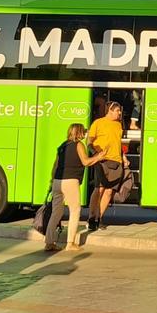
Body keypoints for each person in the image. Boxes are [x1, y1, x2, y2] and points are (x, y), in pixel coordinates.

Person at [43, 123, 103, 251]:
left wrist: (52, 183)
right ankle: (70, 243)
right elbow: (85, 162)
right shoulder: (78, 145)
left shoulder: (62, 146)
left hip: (57, 181)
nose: (85, 134)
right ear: (79, 132)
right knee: (75, 211)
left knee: (56, 212)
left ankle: (49, 242)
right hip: (70, 181)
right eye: (84, 132)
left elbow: (55, 167)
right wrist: (98, 157)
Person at [87, 101, 125, 230]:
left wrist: (123, 157)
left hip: (116, 161)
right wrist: (96, 154)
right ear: (110, 110)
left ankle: (99, 218)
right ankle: (91, 217)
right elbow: (89, 141)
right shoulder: (98, 123)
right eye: (117, 110)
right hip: (102, 161)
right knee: (99, 189)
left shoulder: (118, 125)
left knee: (109, 192)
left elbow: (117, 143)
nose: (120, 113)